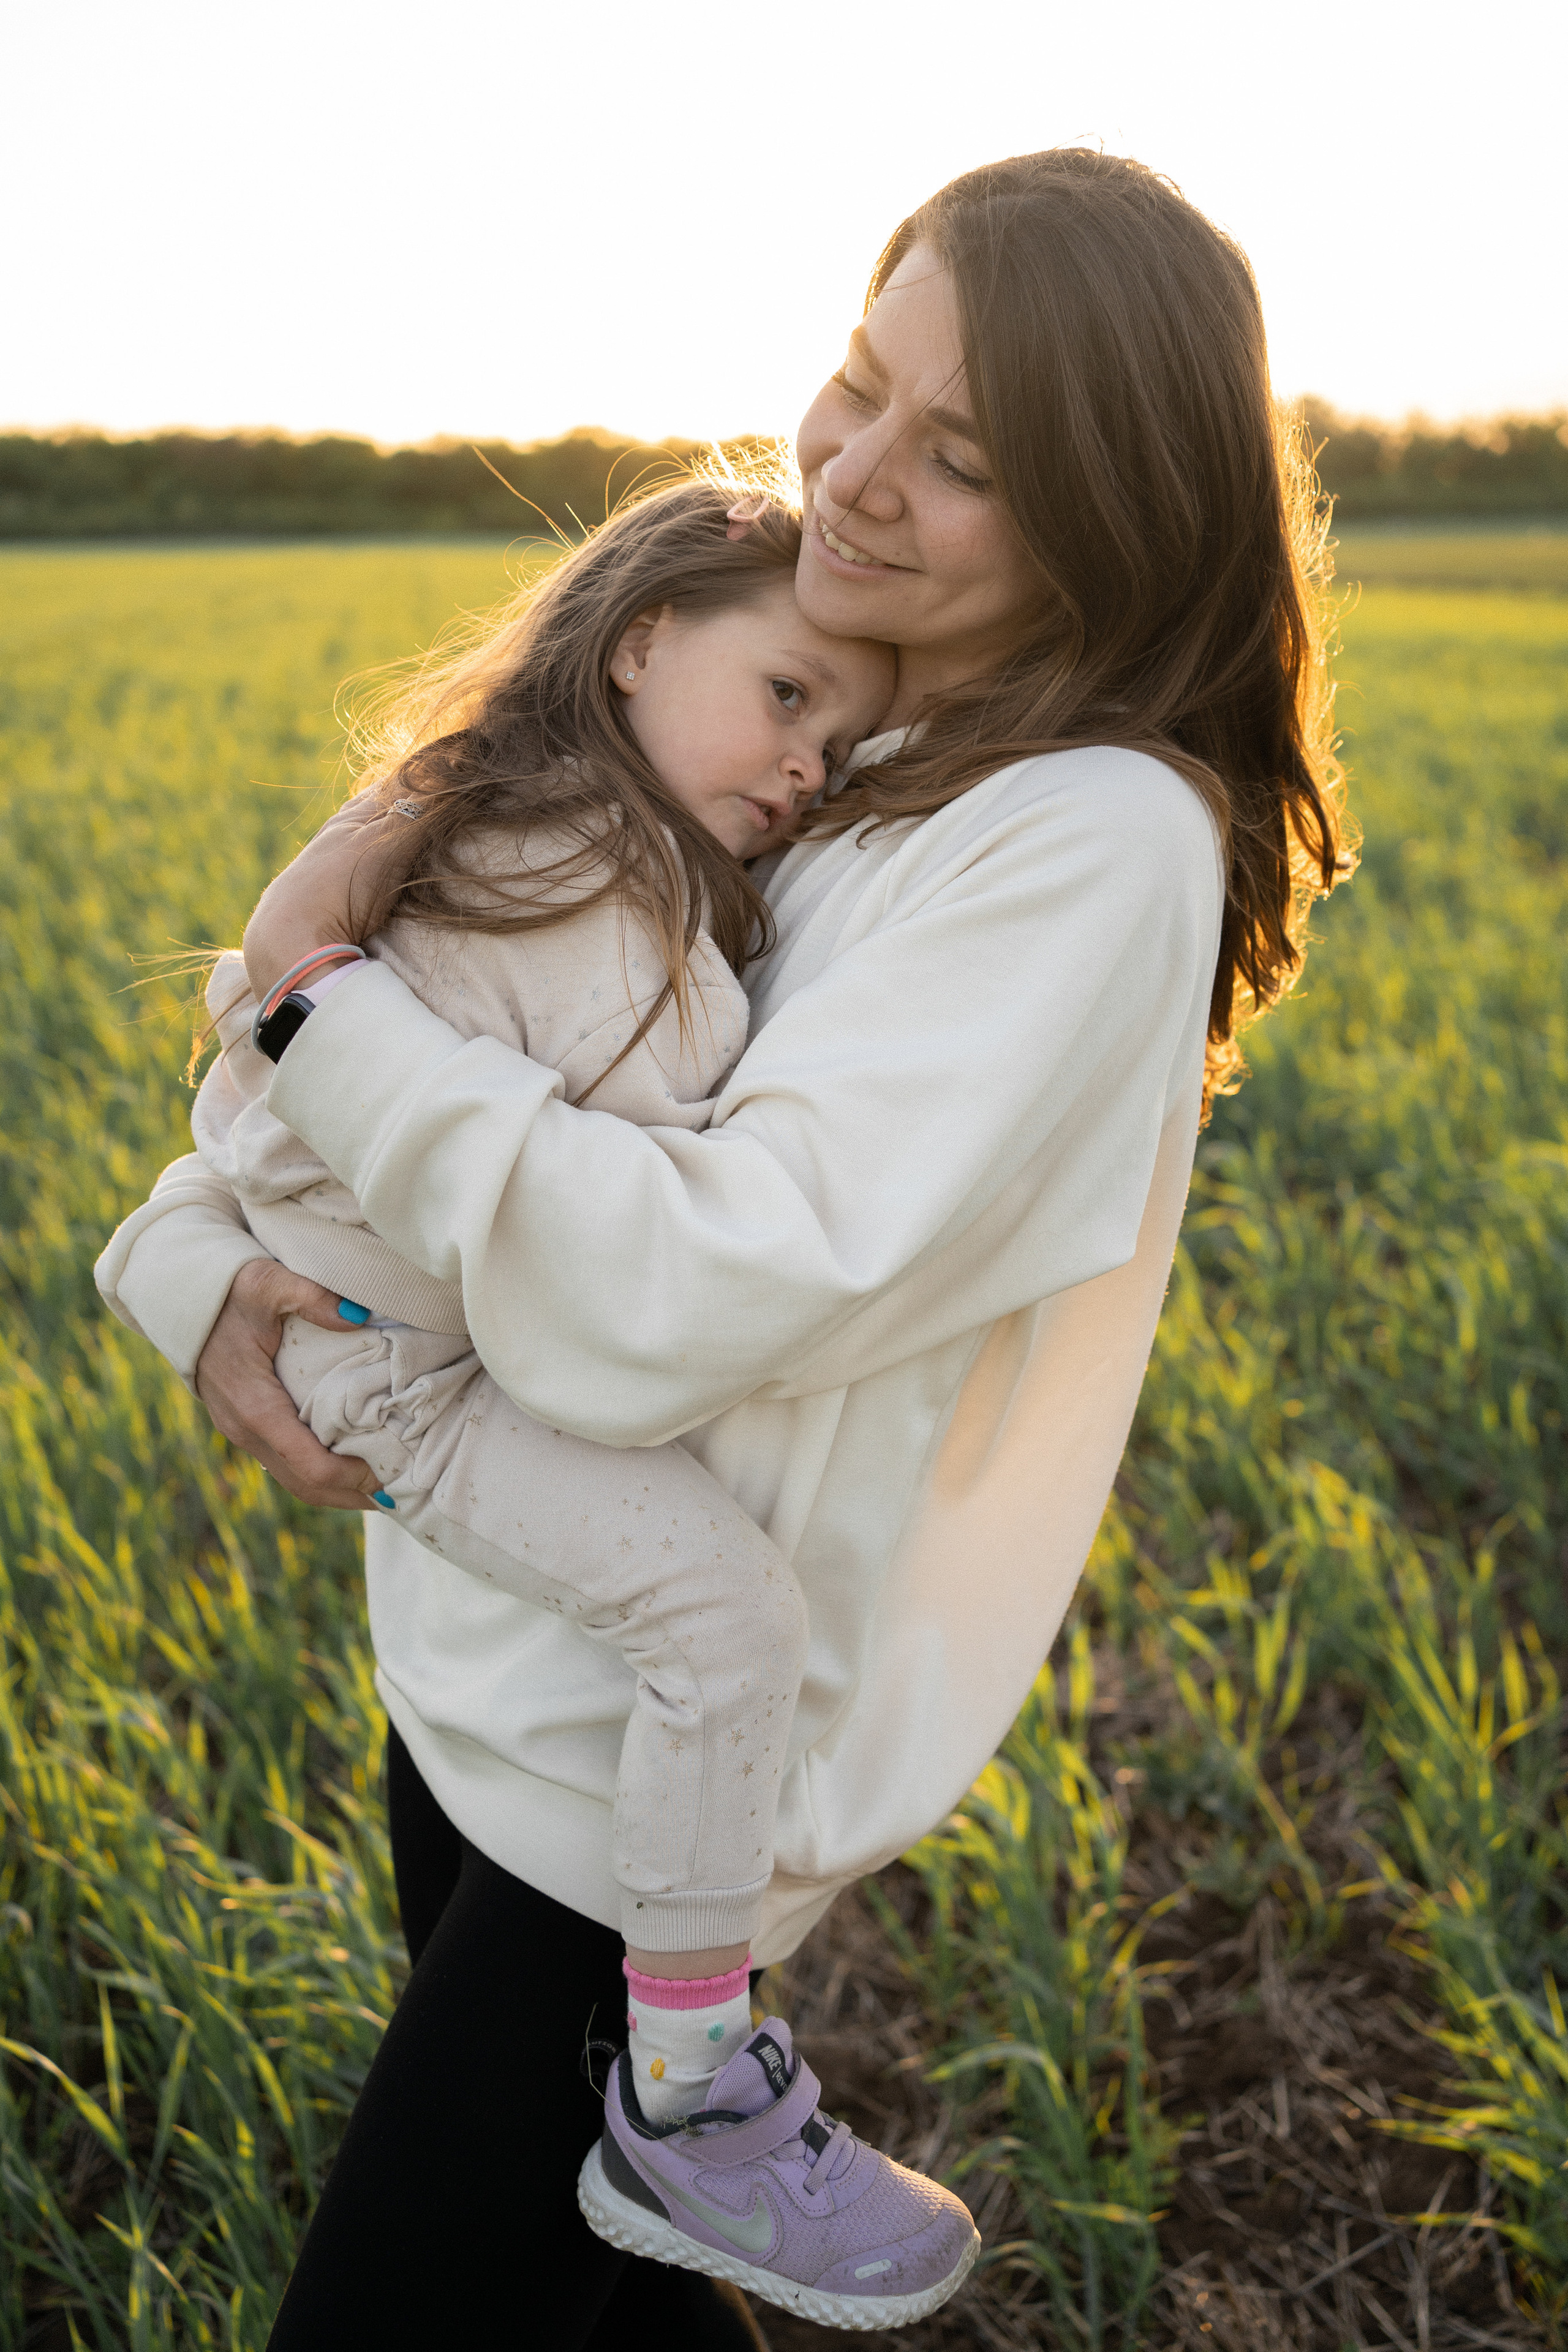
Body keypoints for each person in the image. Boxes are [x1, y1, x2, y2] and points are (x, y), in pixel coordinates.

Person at [96, 149, 1348, 2350]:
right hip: (499, 1658)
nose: (854, 474)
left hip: (641, 1787)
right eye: (859, 386)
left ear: (1116, 512)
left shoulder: (1087, 834)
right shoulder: (843, 733)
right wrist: (200, 1248)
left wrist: (319, 1004)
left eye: (960, 457)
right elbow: (513, 1032)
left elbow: (690, 1278)